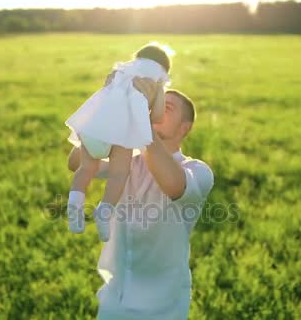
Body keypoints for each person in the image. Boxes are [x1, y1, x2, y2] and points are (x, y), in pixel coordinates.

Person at [67, 78, 214, 319]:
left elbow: (174, 185)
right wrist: (111, 108)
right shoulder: (127, 162)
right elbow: (76, 162)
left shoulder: (198, 171)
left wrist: (140, 121)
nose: (153, 111)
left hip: (164, 304)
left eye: (165, 108)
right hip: (115, 295)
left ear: (184, 128)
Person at [65, 43, 171, 242]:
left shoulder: (121, 70)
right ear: (164, 68)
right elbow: (157, 116)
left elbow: (104, 94)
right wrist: (152, 100)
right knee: (119, 174)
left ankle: (74, 207)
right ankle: (104, 212)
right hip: (122, 133)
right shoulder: (157, 81)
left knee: (85, 169)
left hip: (94, 126)